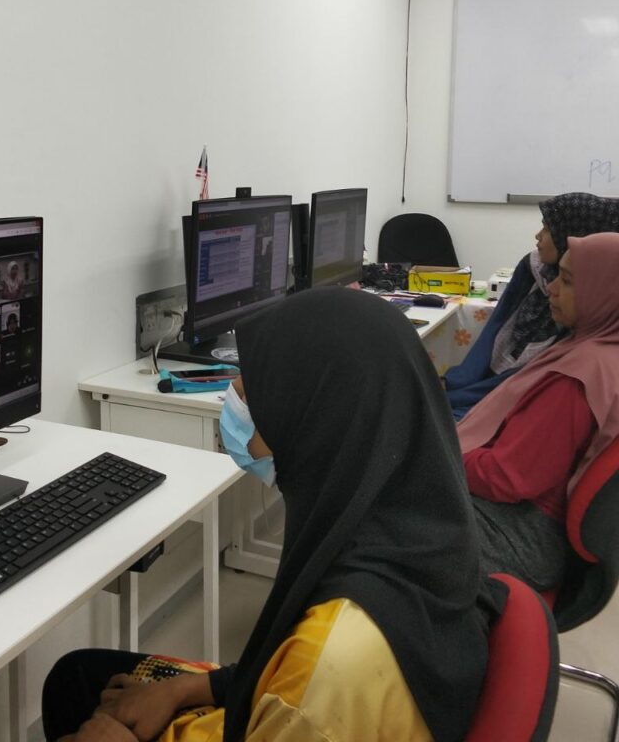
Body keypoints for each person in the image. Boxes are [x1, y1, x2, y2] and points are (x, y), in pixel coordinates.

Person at [42, 288, 495, 742]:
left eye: (253, 388)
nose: (235, 399)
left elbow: (304, 689)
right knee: (78, 674)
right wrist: (183, 689)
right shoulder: (421, 526)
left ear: (312, 421)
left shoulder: (332, 659)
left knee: (78, 694)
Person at [457, 232, 619, 593]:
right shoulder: (599, 347)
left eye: (568, 281)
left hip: (523, 533)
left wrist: (438, 454)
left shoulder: (578, 378)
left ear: (607, 292)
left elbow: (507, 478)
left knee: (374, 517)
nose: (552, 290)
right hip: (529, 519)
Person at [445, 191, 619, 419]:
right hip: (491, 379)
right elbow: (493, 330)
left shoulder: (590, 303)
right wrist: (461, 384)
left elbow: (532, 378)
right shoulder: (533, 267)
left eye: (547, 229)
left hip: (521, 395)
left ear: (572, 234)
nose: (537, 236)